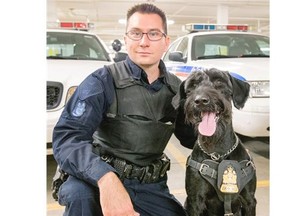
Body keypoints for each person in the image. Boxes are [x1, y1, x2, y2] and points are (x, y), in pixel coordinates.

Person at [52, 3, 196, 216]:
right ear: (126, 39)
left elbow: (190, 137)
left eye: (153, 34)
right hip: (96, 179)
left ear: (166, 42)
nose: (144, 42)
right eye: (136, 33)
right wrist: (105, 177)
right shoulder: (101, 82)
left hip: (149, 186)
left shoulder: (178, 89)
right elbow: (68, 138)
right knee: (79, 196)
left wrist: (227, 143)